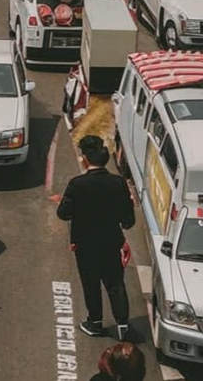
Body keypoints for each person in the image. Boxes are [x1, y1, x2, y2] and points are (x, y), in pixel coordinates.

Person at [57, 136, 139, 342]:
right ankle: (123, 325)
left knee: (91, 284)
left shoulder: (77, 184)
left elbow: (63, 213)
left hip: (85, 245)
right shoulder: (118, 182)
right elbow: (128, 220)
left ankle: (95, 323)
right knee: (115, 283)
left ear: (84, 158)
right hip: (112, 242)